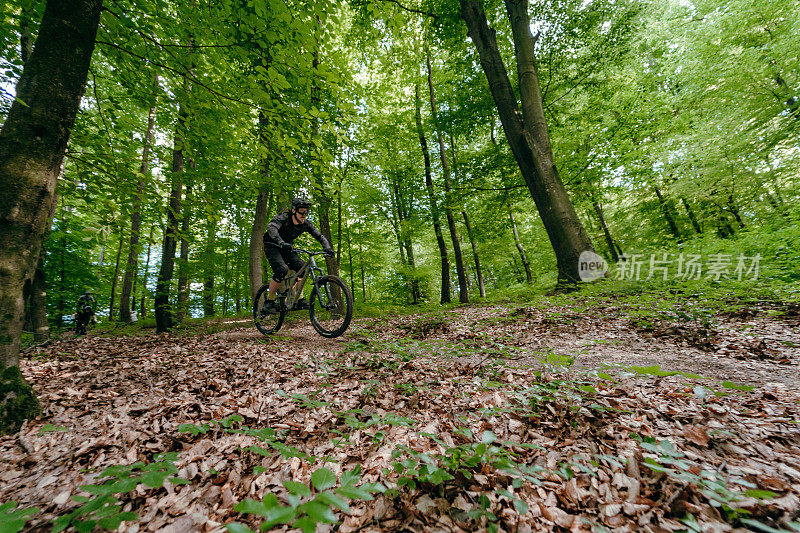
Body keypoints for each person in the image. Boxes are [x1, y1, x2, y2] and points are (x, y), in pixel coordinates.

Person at [262, 197, 334, 313]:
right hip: (272, 245)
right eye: (301, 211)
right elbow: (272, 228)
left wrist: (327, 247)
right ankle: (269, 302)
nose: (304, 215)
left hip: (287, 247)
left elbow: (319, 236)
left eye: (306, 212)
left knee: (302, 268)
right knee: (282, 269)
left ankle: (299, 298)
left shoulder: (306, 224)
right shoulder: (283, 217)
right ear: (294, 210)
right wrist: (280, 242)